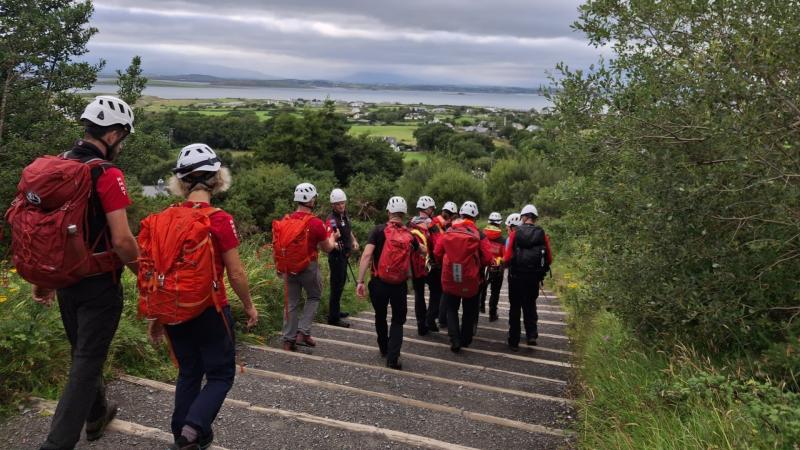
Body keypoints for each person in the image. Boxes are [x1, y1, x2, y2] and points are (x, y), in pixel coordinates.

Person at [29, 96, 140, 450]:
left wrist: (43, 278)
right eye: (122, 137)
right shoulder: (106, 173)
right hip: (99, 282)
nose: (121, 145)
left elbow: (45, 228)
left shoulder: (57, 166)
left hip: (64, 277)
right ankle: (56, 443)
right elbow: (123, 240)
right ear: (113, 134)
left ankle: (96, 415)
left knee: (83, 351)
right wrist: (145, 274)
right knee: (88, 360)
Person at [146, 144, 259, 450]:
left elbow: (161, 270)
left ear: (180, 183)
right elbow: (235, 273)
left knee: (189, 370)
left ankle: (182, 432)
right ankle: (193, 432)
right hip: (210, 307)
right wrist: (249, 305)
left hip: (173, 310)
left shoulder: (164, 218)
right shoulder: (219, 219)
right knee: (221, 374)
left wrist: (158, 317)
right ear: (217, 178)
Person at [356, 196, 422, 370]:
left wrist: (360, 281)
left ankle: (384, 348)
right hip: (399, 285)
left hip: (379, 282)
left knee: (380, 315)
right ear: (404, 214)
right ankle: (393, 357)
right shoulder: (410, 235)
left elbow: (367, 255)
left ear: (388, 212)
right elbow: (421, 250)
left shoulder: (378, 230)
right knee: (398, 321)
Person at [276, 183, 339, 351]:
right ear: (310, 200)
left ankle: (288, 340)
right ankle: (303, 332)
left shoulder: (285, 221)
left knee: (291, 303)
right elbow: (327, 248)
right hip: (308, 266)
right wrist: (333, 238)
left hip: (288, 266)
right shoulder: (316, 223)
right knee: (314, 296)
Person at [434, 201, 493, 353]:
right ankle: (465, 339)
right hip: (471, 278)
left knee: (451, 308)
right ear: (475, 217)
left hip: (449, 276)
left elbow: (437, 252)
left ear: (460, 214)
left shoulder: (449, 230)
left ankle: (454, 340)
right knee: (469, 310)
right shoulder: (479, 235)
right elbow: (487, 258)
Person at [504, 204, 553, 350]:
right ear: (535, 218)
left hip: (516, 276)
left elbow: (507, 257)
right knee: (530, 305)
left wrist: (505, 266)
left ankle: (514, 340)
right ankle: (531, 335)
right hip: (533, 277)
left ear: (524, 217)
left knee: (515, 307)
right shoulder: (541, 233)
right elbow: (549, 258)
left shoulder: (515, 233)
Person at [325, 188, 359, 328]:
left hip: (344, 256)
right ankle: (333, 317)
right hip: (337, 257)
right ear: (333, 205)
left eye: (343, 203)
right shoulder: (331, 220)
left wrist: (354, 241)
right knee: (336, 286)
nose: (341, 206)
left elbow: (348, 231)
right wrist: (335, 246)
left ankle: (336, 311)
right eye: (338, 204)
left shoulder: (344, 215)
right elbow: (329, 239)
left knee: (341, 284)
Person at [409, 195, 442, 334]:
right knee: (437, 292)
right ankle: (430, 318)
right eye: (432, 209)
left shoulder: (410, 224)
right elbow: (438, 245)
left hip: (414, 265)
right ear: (428, 209)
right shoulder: (431, 225)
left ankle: (421, 325)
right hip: (431, 265)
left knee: (419, 294)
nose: (433, 211)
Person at [433, 200, 458, 328]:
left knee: (441, 291)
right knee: (446, 292)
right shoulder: (450, 226)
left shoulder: (434, 222)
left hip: (434, 261)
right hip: (448, 262)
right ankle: (442, 318)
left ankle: (438, 316)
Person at [479, 212, 506, 322]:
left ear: (489, 222)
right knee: (495, 292)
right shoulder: (502, 240)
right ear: (499, 224)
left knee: (482, 287)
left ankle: (481, 306)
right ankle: (492, 313)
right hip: (497, 268)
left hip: (483, 265)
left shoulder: (482, 235)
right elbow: (505, 256)